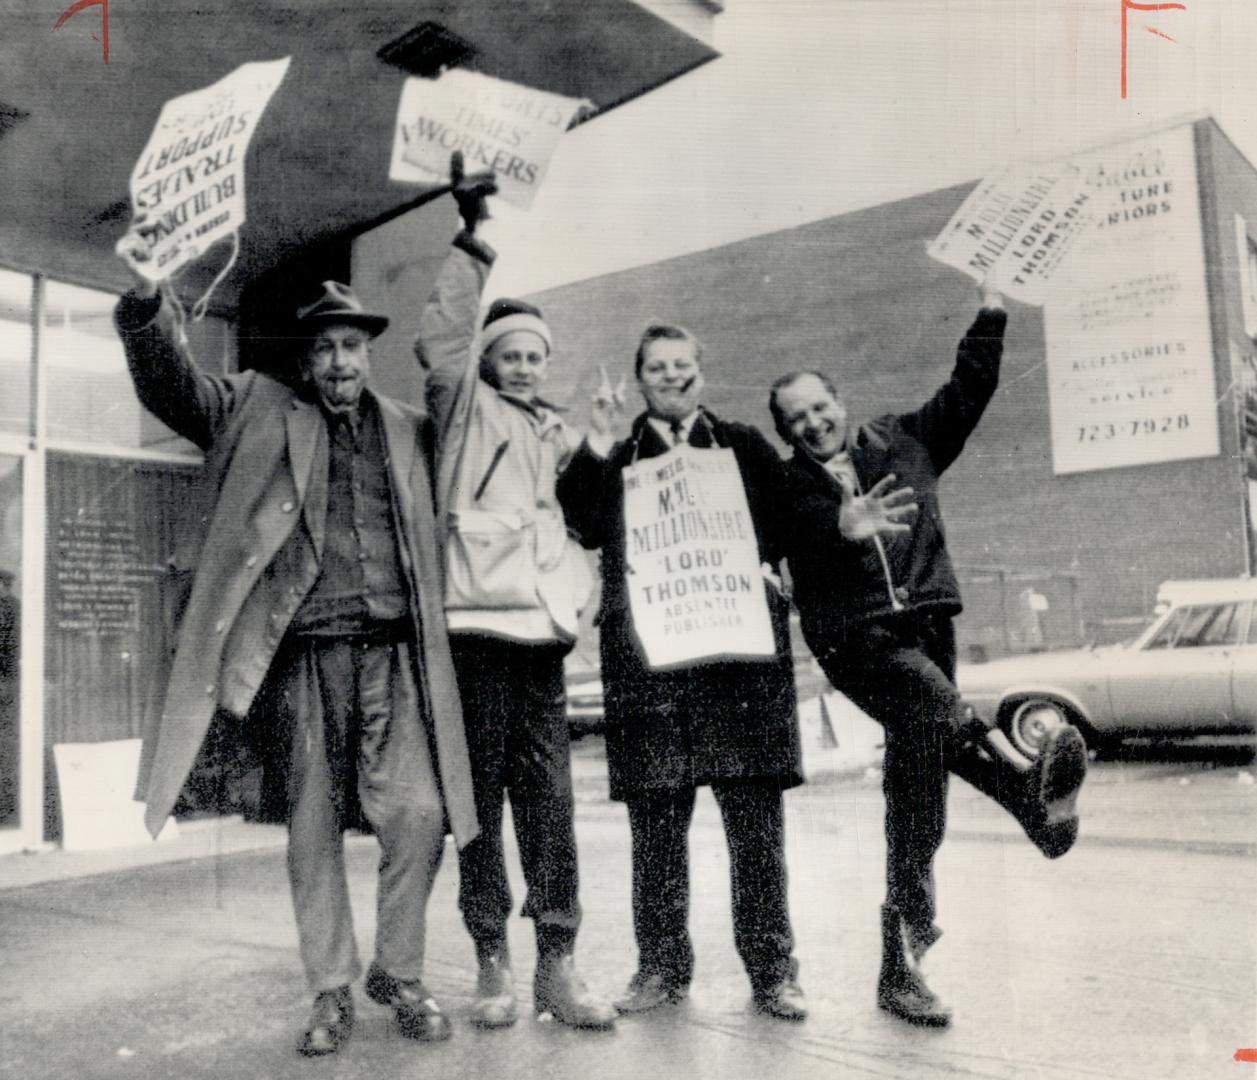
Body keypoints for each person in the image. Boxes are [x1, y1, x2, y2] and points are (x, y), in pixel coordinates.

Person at [113, 225, 479, 1057]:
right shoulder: (256, 410)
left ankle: (399, 971)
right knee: (310, 829)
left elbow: (455, 364)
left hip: (393, 654)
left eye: (351, 346)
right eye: (325, 350)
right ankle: (330, 990)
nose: (340, 362)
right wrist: (144, 305)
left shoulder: (411, 429)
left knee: (418, 817)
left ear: (367, 354)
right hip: (305, 658)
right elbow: (174, 387)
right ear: (306, 361)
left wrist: (472, 247)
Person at [768, 279, 1087, 1029]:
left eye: (820, 407)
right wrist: (834, 529)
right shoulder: (787, 489)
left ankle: (899, 969)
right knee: (931, 703)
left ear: (839, 404)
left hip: (927, 623)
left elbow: (969, 387)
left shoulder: (902, 442)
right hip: (857, 637)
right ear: (785, 432)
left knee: (917, 793)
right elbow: (782, 543)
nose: (814, 423)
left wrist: (992, 312)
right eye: (797, 419)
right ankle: (1022, 793)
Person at [412, 153, 614, 1031]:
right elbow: (442, 338)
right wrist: (472, 237)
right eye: (513, 355)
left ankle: (557, 964)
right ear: (489, 363)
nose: (526, 367)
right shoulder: (462, 409)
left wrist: (601, 448)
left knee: (552, 807)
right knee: (479, 810)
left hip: (541, 642)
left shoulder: (556, 435)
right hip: (473, 639)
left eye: (537, 356)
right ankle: (492, 957)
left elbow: (594, 521)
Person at [557, 323, 807, 1022]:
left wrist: (766, 565)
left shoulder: (742, 445)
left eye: (682, 364)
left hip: (736, 665)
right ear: (639, 381)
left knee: (755, 830)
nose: (672, 376)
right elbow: (580, 521)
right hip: (651, 668)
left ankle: (772, 972)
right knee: (657, 828)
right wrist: (599, 438)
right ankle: (661, 969)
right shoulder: (618, 453)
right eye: (657, 368)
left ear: (701, 371)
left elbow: (787, 524)